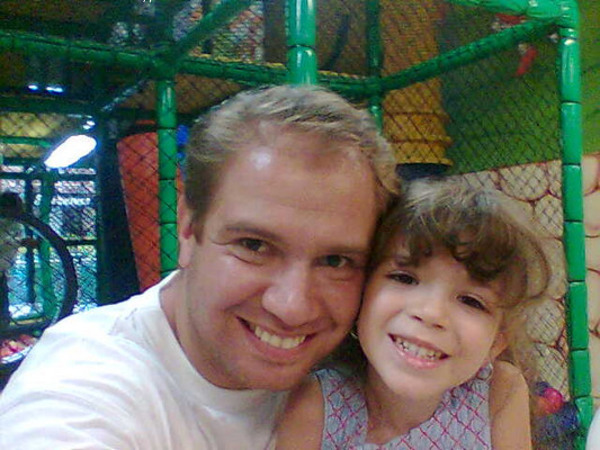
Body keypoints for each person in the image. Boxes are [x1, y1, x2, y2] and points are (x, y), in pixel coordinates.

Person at [0, 85, 398, 449]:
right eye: (254, 245)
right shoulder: (84, 386)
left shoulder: (375, 363)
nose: (292, 307)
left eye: (335, 261)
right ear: (189, 229)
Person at [277, 177, 553, 450]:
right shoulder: (316, 407)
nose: (431, 313)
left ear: (497, 342)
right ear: (361, 295)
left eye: (471, 301)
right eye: (404, 278)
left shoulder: (499, 392)